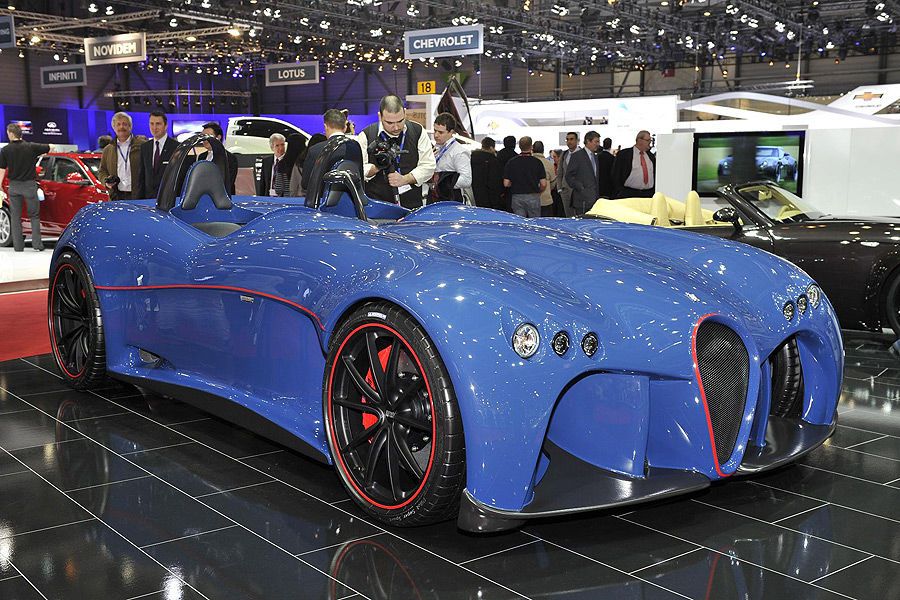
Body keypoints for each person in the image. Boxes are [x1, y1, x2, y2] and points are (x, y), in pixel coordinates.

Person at [358, 94, 435, 209]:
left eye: (400, 121)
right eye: (389, 123)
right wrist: (376, 167)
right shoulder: (366, 135)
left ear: (405, 112)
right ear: (380, 116)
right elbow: (358, 170)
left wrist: (405, 179)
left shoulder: (418, 131)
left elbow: (428, 165)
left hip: (411, 203)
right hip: (377, 205)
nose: (396, 127)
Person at [0, 123, 52, 251]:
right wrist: (43, 153)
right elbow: (50, 147)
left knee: (15, 216)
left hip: (14, 186)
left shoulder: (5, 150)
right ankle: (37, 245)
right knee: (34, 215)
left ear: (11, 134)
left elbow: (1, 170)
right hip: (29, 185)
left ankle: (18, 247)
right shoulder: (31, 147)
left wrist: (0, 185)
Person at [98, 111, 146, 200]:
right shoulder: (108, 149)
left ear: (130, 126)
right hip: (116, 196)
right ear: (114, 127)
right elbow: (102, 171)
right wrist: (106, 181)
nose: (121, 127)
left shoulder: (142, 146)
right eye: (118, 124)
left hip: (139, 196)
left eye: (124, 124)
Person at [301, 109, 348, 193]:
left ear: (325, 126)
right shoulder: (355, 147)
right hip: (350, 199)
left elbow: (305, 183)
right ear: (345, 127)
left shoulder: (314, 150)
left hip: (322, 199)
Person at [429, 112, 471, 203]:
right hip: (433, 196)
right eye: (435, 130)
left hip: (451, 198)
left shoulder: (459, 152)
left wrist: (444, 184)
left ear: (451, 132)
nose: (436, 135)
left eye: (440, 132)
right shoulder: (435, 149)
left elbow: (467, 180)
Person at [137, 110, 178, 200]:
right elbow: (142, 177)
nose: (154, 127)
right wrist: (140, 200)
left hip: (168, 199)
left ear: (166, 126)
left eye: (158, 124)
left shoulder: (176, 147)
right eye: (152, 124)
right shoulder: (145, 147)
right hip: (148, 200)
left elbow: (179, 177)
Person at [503, 136, 547, 218]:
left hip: (517, 196)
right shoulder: (537, 162)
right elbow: (543, 184)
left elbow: (506, 183)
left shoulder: (512, 162)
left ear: (519, 146)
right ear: (531, 147)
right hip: (533, 196)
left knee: (520, 222)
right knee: (535, 222)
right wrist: (539, 191)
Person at [565, 131, 602, 216]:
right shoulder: (577, 156)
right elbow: (568, 176)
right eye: (596, 141)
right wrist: (580, 187)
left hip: (594, 200)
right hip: (582, 200)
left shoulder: (595, 156)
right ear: (588, 141)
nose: (598, 144)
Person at [611, 130, 656, 199]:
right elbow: (616, 174)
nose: (650, 142)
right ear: (639, 140)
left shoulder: (651, 156)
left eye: (650, 140)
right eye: (648, 140)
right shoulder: (624, 154)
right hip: (629, 194)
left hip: (648, 194)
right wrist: (620, 191)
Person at [200, 122, 239, 195]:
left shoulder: (229, 158)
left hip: (222, 197)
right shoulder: (201, 157)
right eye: (203, 136)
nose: (205, 140)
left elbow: (228, 182)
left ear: (218, 137)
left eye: (208, 136)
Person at [470, 137, 503, 210]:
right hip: (489, 196)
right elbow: (494, 180)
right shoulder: (493, 161)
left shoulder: (471, 158)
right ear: (491, 148)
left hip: (475, 194)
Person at [556, 132, 579, 217]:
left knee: (579, 215)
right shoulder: (564, 154)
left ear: (577, 141)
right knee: (568, 215)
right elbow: (560, 172)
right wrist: (559, 188)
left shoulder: (582, 154)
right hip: (565, 191)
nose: (569, 141)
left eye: (571, 139)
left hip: (579, 190)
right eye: (567, 139)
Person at [532, 141, 556, 217]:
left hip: (530, 200)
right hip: (545, 200)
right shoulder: (549, 164)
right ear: (543, 150)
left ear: (532, 150)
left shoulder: (528, 163)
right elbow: (553, 182)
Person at [496, 135, 518, 212]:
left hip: (499, 185)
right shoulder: (516, 156)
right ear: (514, 144)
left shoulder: (498, 155)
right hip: (512, 187)